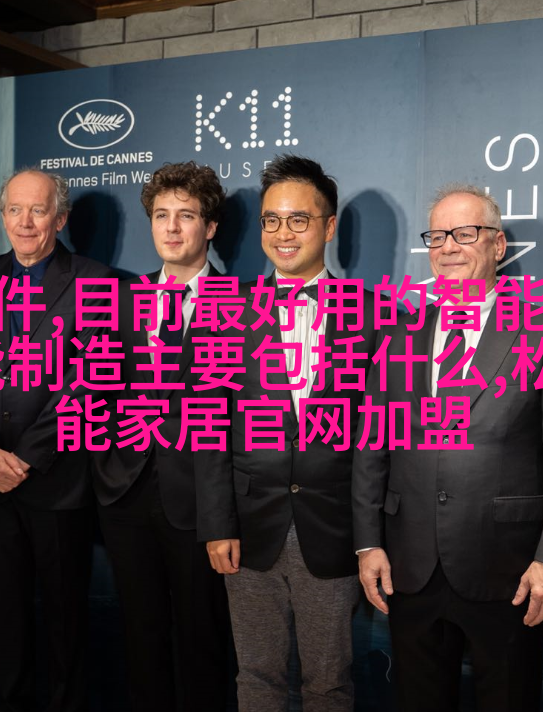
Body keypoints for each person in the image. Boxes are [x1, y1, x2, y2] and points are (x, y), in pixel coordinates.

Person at [352, 184, 543, 711]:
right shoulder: (398, 335)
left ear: (498, 245)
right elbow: (372, 445)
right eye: (438, 236)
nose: (448, 247)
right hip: (410, 567)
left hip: (509, 569)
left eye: (465, 233)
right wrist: (368, 543)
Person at [197, 155, 374, 712]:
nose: (283, 233)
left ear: (329, 226)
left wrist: (370, 536)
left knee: (329, 683)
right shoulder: (223, 313)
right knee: (256, 676)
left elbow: (379, 439)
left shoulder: (375, 315)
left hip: (334, 527)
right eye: (271, 220)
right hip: (249, 529)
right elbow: (208, 429)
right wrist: (217, 523)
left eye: (299, 219)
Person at [0, 169, 111, 712]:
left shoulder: (98, 283)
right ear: (3, 215)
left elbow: (92, 382)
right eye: (14, 210)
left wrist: (24, 457)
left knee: (66, 618)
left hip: (57, 480)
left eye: (38, 210)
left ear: (60, 219)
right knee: (2, 613)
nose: (25, 222)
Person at [93, 161, 233, 711]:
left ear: (211, 226)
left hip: (199, 500)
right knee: (140, 635)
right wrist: (104, 465)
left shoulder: (243, 303)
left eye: (186, 216)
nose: (171, 228)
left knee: (203, 640)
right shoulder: (122, 298)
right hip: (126, 493)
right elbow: (96, 389)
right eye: (161, 215)